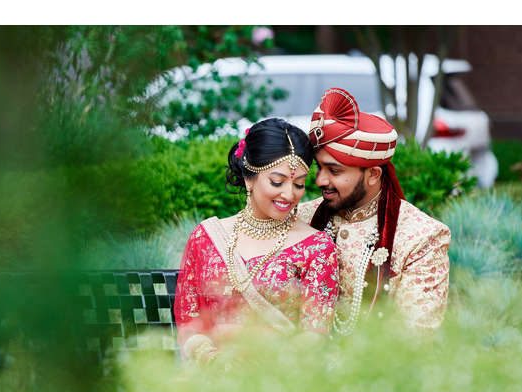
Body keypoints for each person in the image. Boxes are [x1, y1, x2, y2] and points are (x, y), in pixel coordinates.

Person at [174, 118, 339, 363]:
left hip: (281, 380)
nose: (289, 194)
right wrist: (212, 361)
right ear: (249, 177)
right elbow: (189, 320)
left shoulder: (317, 248)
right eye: (277, 181)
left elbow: (314, 334)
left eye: (299, 183)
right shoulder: (207, 236)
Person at [298, 87, 451, 333]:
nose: (320, 181)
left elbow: (415, 336)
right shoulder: (301, 217)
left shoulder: (421, 236)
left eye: (334, 171)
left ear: (373, 174)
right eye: (319, 168)